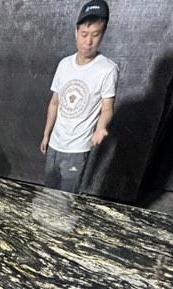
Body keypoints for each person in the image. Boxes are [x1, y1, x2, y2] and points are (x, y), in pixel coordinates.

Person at [41, 1, 118, 194]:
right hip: (55, 144)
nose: (88, 41)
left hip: (77, 147)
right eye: (84, 34)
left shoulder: (107, 69)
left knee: (67, 196)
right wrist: (46, 135)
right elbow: (54, 103)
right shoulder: (64, 64)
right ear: (76, 33)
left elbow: (107, 108)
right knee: (49, 191)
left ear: (103, 34)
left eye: (95, 35)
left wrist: (101, 128)